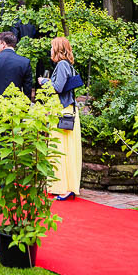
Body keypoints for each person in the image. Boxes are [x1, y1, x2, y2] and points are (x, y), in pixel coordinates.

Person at [43, 36, 83, 200]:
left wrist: (44, 81)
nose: (50, 50)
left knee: (58, 149)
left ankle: (62, 187)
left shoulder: (61, 65)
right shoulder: (68, 65)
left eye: (52, 47)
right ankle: (69, 186)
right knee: (69, 150)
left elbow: (57, 88)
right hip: (69, 110)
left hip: (62, 111)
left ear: (58, 49)